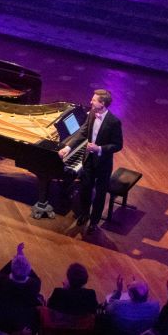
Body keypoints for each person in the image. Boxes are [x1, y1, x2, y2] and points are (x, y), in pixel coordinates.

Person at [57, 89, 122, 233]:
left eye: (94, 100)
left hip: (103, 164)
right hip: (88, 161)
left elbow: (118, 145)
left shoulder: (114, 122)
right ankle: (84, 214)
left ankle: (94, 222)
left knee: (99, 194)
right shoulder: (92, 114)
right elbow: (83, 132)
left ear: (102, 103)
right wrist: (68, 148)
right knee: (85, 190)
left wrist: (99, 148)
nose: (91, 102)